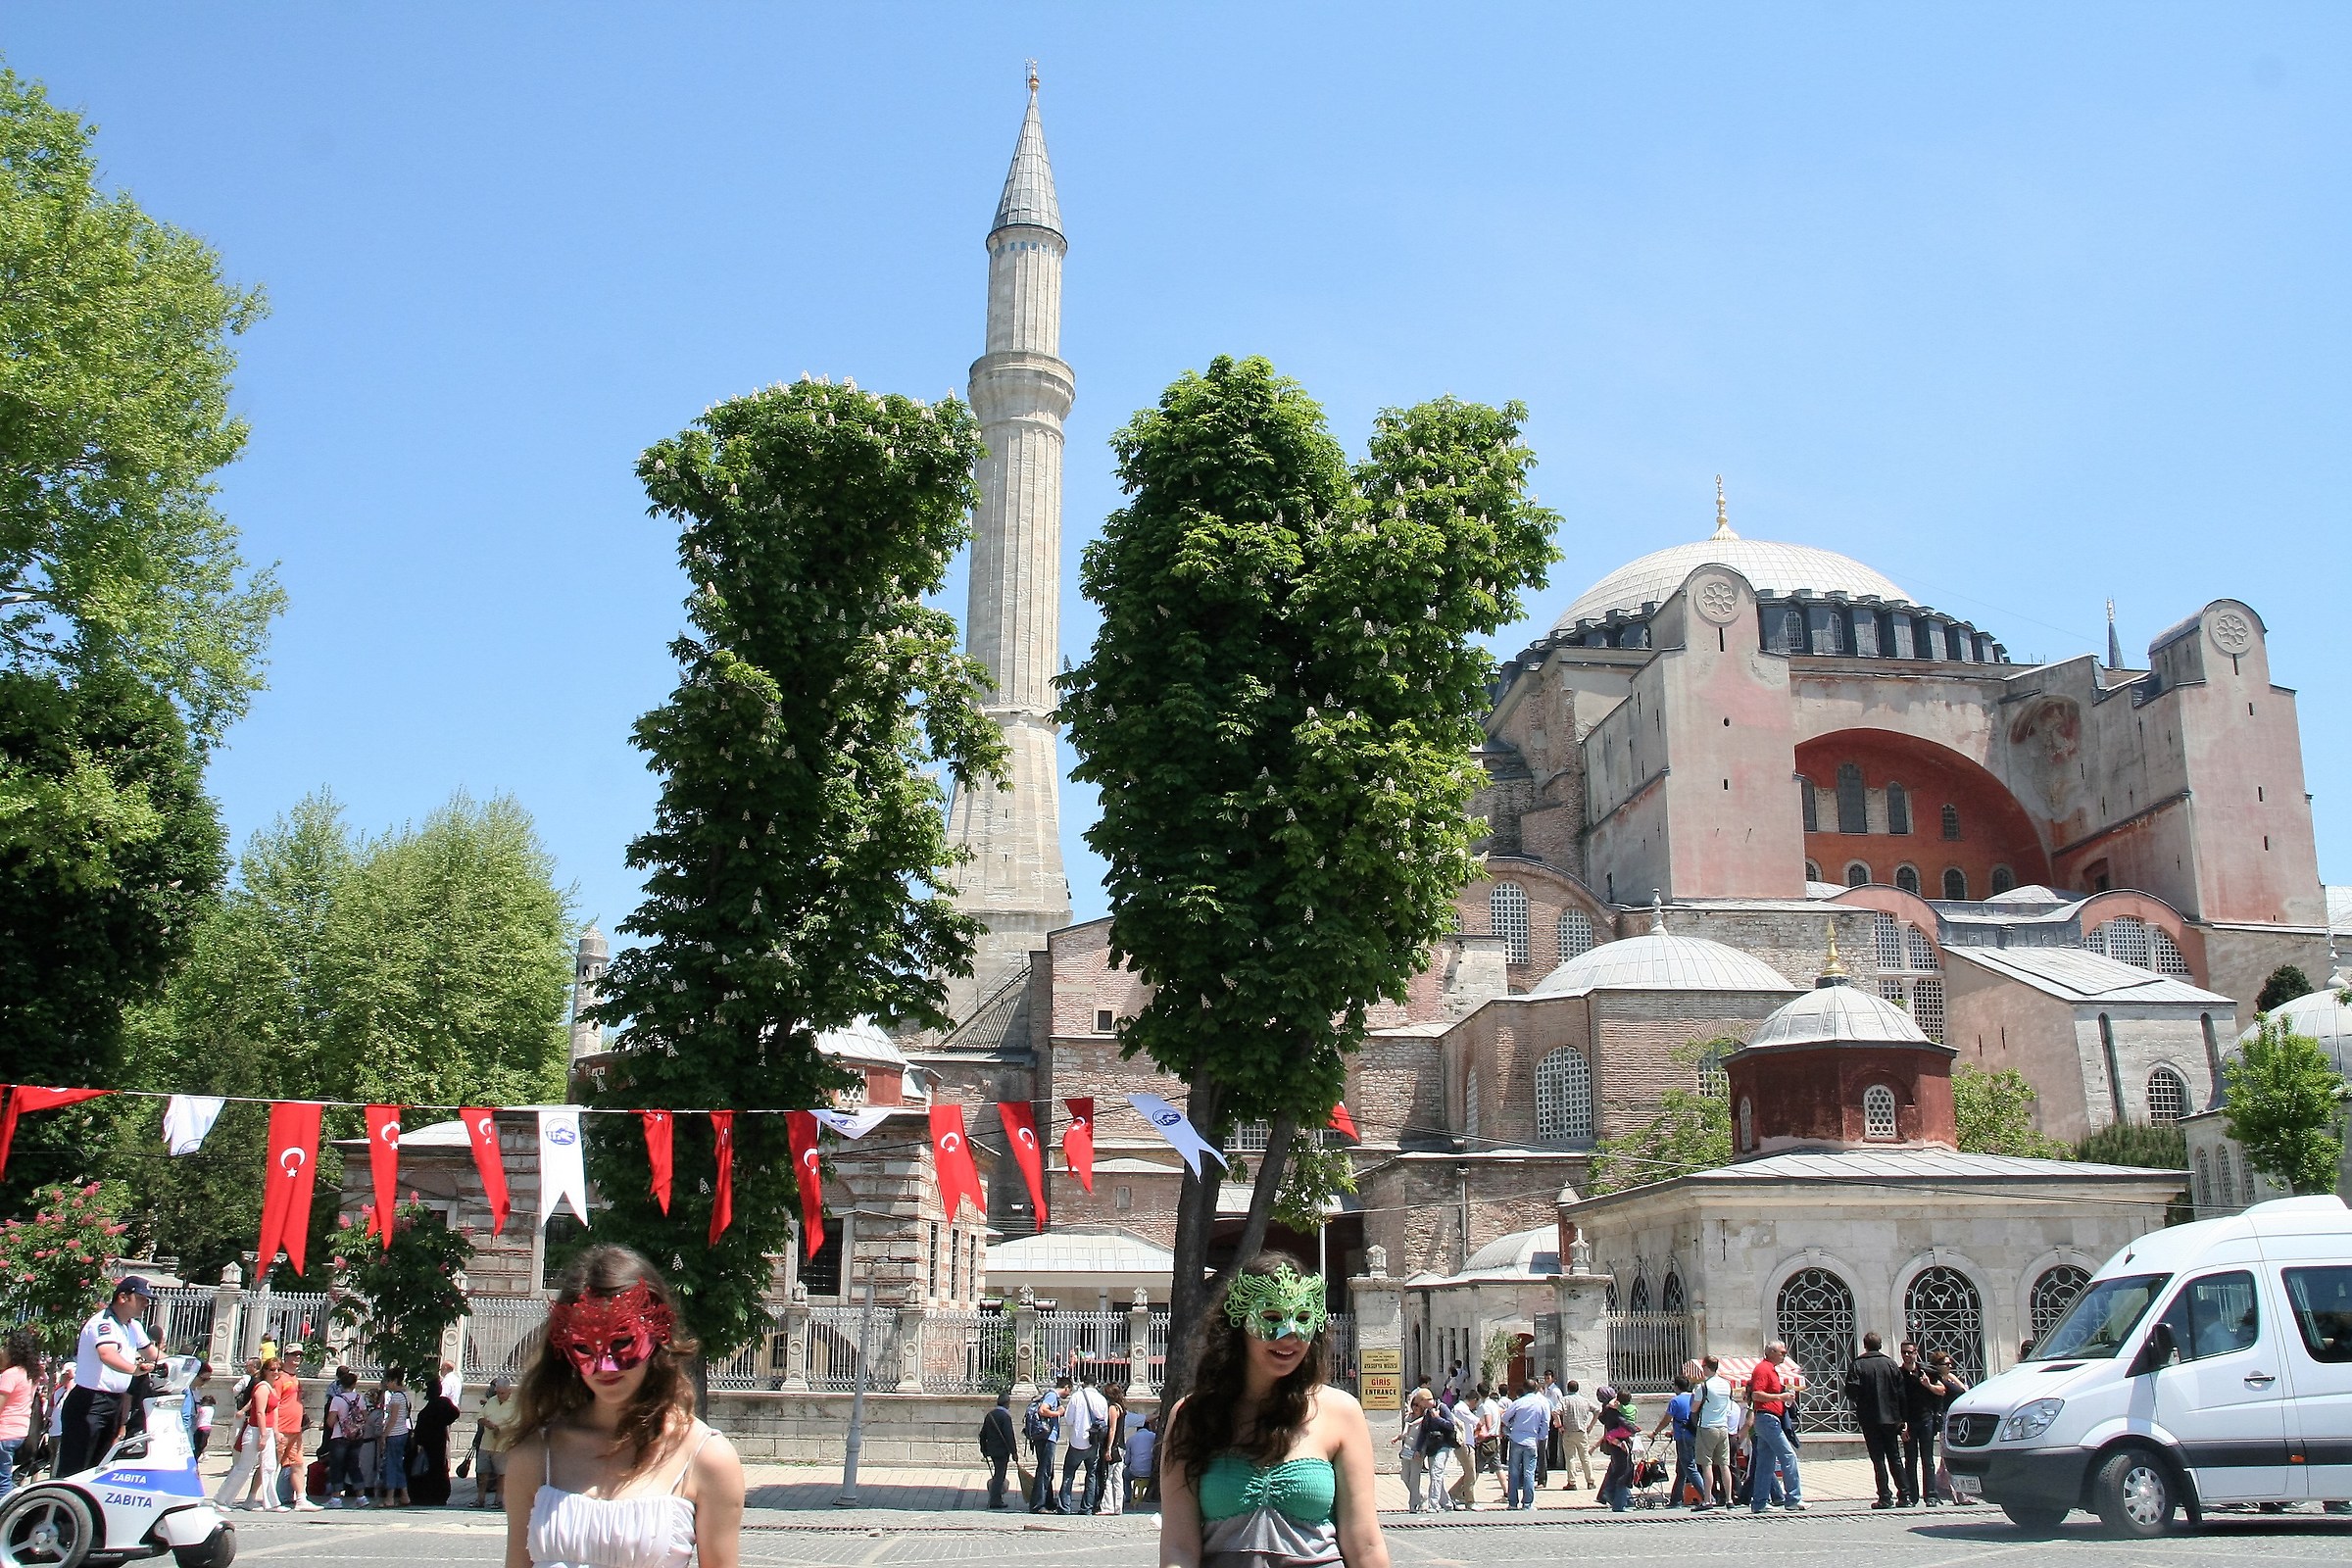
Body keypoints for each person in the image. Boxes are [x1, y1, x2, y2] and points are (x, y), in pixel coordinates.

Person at [503, 1244, 745, 1568]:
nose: (605, 1366)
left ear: (657, 1333)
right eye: (585, 1347)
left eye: (621, 1342)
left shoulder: (707, 1457)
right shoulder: (535, 1454)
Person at [1157, 1254, 1389, 1568]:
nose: (1289, 1335)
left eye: (1303, 1317)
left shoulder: (1341, 1412)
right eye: (1271, 1316)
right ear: (1238, 1322)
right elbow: (1178, 1549)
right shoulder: (1192, 1416)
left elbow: (1365, 1544)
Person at [57, 1275, 161, 1477]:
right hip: (90, 1402)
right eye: (141, 1299)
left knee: (99, 1465)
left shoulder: (133, 1326)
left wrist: (178, 1363)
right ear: (123, 1297)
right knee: (76, 1467)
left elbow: (151, 1353)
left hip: (115, 1402)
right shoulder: (103, 1323)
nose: (146, 1304)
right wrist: (134, 1369)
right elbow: (106, 1354)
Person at [214, 1354, 283, 1510]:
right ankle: (221, 1500)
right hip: (256, 1430)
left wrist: (275, 1432)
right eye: (272, 1369)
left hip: (266, 1430)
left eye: (279, 1369)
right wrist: (263, 1435)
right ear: (265, 1371)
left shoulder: (271, 1388)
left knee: (269, 1466)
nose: (276, 1372)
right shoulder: (262, 1387)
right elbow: (259, 1412)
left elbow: (273, 1412)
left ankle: (272, 1502)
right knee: (244, 1468)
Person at [1846, 1333, 1906, 1509]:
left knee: (1878, 1458)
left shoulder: (1858, 1364)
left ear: (1865, 1345)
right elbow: (1901, 1393)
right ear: (1880, 1345)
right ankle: (1905, 1495)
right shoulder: (1890, 1364)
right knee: (1895, 1456)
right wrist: (1902, 1417)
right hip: (1891, 1418)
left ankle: (1885, 1496)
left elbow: (1851, 1390)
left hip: (1870, 1418)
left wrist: (1862, 1399)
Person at [1746, 1342, 1802, 1512]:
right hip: (1767, 1419)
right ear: (1771, 1352)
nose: (1784, 1355)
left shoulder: (1770, 1370)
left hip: (1767, 1419)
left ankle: (1760, 1502)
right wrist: (1780, 1397)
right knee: (1788, 1456)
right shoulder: (1763, 1369)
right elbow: (1756, 1394)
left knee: (1765, 1463)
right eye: (1781, 1352)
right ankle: (1793, 1498)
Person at [272, 1347, 319, 1509]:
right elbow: (274, 1404)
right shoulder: (279, 1378)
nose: (298, 1357)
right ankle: (264, 1496)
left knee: (297, 1463)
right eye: (294, 1354)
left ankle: (300, 1498)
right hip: (282, 1428)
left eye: (300, 1354)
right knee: (271, 1465)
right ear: (286, 1356)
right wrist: (275, 1429)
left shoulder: (295, 1378)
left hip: (295, 1428)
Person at [1898, 1340, 1942, 1507]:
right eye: (1904, 1352)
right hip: (1909, 1422)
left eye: (1910, 1352)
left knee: (1927, 1459)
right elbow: (1895, 1401)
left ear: (1916, 1353)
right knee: (1910, 1460)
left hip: (1925, 1419)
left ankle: (1931, 1495)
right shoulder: (1898, 1374)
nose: (1907, 1355)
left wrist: (1928, 1385)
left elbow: (1942, 1390)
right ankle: (1912, 1496)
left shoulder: (1926, 1371)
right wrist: (1901, 1425)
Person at [1060, 1373, 1108, 1515]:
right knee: (1091, 1475)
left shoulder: (1076, 1397)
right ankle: (1087, 1507)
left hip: (1077, 1441)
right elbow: (1105, 1422)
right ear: (1096, 1384)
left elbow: (1069, 1419)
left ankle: (1065, 1507)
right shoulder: (1102, 1399)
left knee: (1069, 1474)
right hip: (1093, 1442)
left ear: (1083, 1383)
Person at [0, 1328, 40, 1499]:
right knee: (7, 1478)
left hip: (4, 1432)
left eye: (6, 1347)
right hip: (20, 1432)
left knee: (2, 1481)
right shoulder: (30, 1375)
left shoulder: (10, 1374)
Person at [1646, 1375, 1696, 1507]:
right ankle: (1677, 1499)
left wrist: (1655, 1432)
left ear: (1676, 1387)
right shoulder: (1694, 1398)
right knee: (1684, 1469)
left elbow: (1667, 1420)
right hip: (1694, 1435)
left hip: (1683, 1438)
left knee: (1687, 1469)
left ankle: (1705, 1496)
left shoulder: (1675, 1401)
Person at [410, 1379, 461, 1506]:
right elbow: (455, 1413)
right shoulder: (443, 1403)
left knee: (429, 1468)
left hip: (429, 1443)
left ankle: (429, 1495)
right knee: (438, 1467)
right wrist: (444, 1422)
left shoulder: (429, 1409)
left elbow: (420, 1430)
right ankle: (438, 1495)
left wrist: (418, 1442)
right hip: (438, 1441)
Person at [1690, 1356, 1732, 1509]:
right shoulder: (1726, 1384)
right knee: (1724, 1465)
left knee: (1706, 1464)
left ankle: (1707, 1499)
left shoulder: (1703, 1386)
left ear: (1707, 1367)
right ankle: (1729, 1499)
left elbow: (1694, 1408)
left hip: (1707, 1426)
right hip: (1723, 1427)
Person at [1502, 1378, 1548, 1510]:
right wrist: (1541, 1438)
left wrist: (1511, 1427)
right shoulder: (1541, 1404)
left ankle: (1512, 1502)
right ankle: (1527, 1503)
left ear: (1524, 1389)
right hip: (1531, 1440)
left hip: (1516, 1439)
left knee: (1513, 1472)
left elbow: (1504, 1418)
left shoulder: (1518, 1403)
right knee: (1529, 1472)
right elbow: (1545, 1423)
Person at [325, 1368, 368, 1507]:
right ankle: (361, 1497)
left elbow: (330, 1422)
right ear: (354, 1384)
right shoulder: (360, 1398)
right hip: (356, 1437)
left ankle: (336, 1498)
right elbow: (365, 1417)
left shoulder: (337, 1399)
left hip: (339, 1436)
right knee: (354, 1466)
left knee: (337, 1466)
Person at [475, 1376, 518, 1510]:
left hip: (503, 1445)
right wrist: (486, 1422)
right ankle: (480, 1500)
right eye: (498, 1392)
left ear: (509, 1391)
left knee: (501, 1474)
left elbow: (518, 1424)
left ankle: (499, 1501)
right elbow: (480, 1416)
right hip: (486, 1443)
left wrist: (501, 1429)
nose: (500, 1395)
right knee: (482, 1473)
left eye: (502, 1393)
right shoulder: (492, 1401)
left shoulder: (516, 1404)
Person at [1028, 1376, 1068, 1512]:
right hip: (1047, 1437)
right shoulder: (1052, 1395)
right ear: (1066, 1387)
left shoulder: (1052, 1396)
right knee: (1044, 1471)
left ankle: (1048, 1501)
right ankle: (1038, 1505)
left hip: (1047, 1437)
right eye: (1069, 1390)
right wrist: (1058, 1413)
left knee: (1047, 1471)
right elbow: (1043, 1410)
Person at [1593, 1389, 1635, 1512]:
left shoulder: (1608, 1410)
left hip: (1615, 1444)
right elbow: (1624, 1423)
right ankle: (1618, 1503)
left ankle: (1621, 1499)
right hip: (1620, 1444)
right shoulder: (1615, 1411)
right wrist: (1633, 1429)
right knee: (1623, 1473)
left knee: (1617, 1471)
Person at [379, 1368, 414, 1508]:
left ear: (394, 1381)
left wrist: (384, 1435)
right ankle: (405, 1496)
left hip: (394, 1434)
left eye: (389, 1381)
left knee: (391, 1465)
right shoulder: (406, 1395)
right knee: (398, 1464)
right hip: (403, 1432)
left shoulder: (396, 1397)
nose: (387, 1384)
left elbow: (392, 1419)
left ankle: (390, 1498)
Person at [1554, 1379, 1595, 1491]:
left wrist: (1559, 1425)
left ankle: (1572, 1482)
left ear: (1568, 1389)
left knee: (1570, 1458)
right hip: (1582, 1432)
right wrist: (1591, 1425)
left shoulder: (1564, 1400)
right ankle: (1590, 1481)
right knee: (1585, 1457)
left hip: (1568, 1432)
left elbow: (1555, 1412)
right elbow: (1597, 1410)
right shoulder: (1585, 1400)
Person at [980, 1393, 1017, 1508]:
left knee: (998, 1474)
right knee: (999, 1476)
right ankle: (995, 1500)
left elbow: (982, 1434)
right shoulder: (1005, 1416)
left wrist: (983, 1449)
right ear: (1007, 1404)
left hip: (992, 1449)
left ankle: (996, 1498)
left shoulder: (990, 1415)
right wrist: (1014, 1452)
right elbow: (1009, 1435)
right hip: (1002, 1451)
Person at [1395, 1391, 1430, 1512]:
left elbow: (1423, 1436)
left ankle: (1413, 1504)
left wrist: (1419, 1451)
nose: (1416, 1408)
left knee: (1414, 1478)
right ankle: (1421, 1496)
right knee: (1405, 1476)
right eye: (1414, 1405)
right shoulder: (1408, 1417)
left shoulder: (1425, 1419)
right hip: (1407, 1449)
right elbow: (1405, 1433)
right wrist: (1398, 1438)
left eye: (1418, 1405)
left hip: (1417, 1451)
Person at [1098, 1384, 1129, 1514]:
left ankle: (1108, 1506)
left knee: (1109, 1477)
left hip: (1114, 1446)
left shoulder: (1112, 1408)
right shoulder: (1122, 1408)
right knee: (1118, 1478)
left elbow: (1112, 1429)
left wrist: (1109, 1448)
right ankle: (1118, 1507)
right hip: (1121, 1446)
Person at [1445, 1385, 1478, 1508]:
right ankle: (1470, 1501)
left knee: (1468, 1473)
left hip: (1467, 1443)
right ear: (1473, 1400)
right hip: (1465, 1444)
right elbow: (1477, 1421)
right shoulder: (1461, 1409)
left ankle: (1453, 1493)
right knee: (1471, 1473)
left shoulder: (1460, 1408)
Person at [1125, 1412, 1157, 1511]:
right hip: (1151, 1470)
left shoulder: (1131, 1439)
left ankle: (1128, 1497)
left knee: (1125, 1475)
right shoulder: (1154, 1436)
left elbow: (1127, 1460)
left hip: (1135, 1471)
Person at [193, 1396, 217, 1461]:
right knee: (203, 1443)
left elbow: (197, 1416)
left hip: (201, 1427)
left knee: (198, 1444)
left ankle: (197, 1457)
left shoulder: (202, 1409)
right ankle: (204, 1454)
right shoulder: (212, 1409)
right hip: (208, 1427)